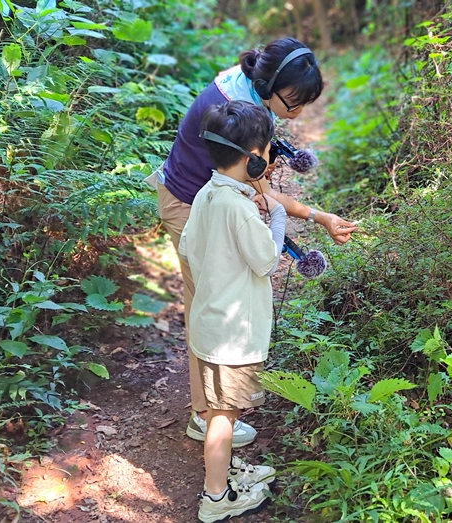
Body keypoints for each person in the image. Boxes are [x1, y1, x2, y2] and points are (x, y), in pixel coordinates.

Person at [145, 37, 357, 447]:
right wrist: (318, 217)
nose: (297, 113)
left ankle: (212, 410)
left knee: (211, 304)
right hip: (188, 204)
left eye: (304, 104)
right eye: (292, 103)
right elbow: (264, 194)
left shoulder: (246, 89)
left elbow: (258, 190)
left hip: (203, 199)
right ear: (267, 86)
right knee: (211, 307)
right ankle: (209, 417)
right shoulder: (240, 114)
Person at [179, 100, 283, 521]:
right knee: (223, 417)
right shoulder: (238, 208)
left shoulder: (207, 194)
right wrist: (276, 217)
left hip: (209, 325)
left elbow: (187, 248)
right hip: (232, 337)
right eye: (269, 149)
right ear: (253, 157)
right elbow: (267, 260)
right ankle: (217, 498)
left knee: (218, 409)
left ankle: (225, 473)